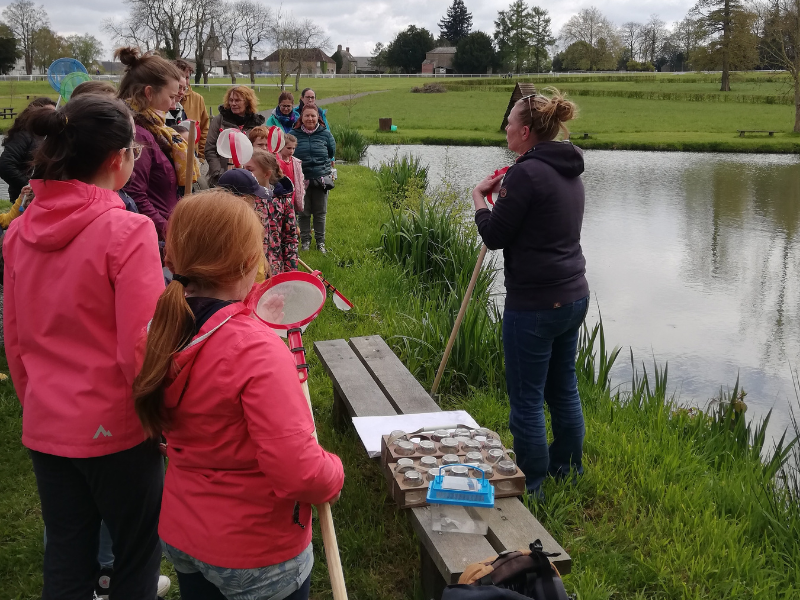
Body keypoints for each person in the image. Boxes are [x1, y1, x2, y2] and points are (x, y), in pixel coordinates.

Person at [134, 190, 343, 600]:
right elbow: (298, 470)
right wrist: (333, 472)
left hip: (185, 532)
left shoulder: (156, 331)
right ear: (251, 262)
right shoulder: (259, 350)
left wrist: (255, 319)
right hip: (257, 552)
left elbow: (212, 333)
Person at [3, 94, 167, 600]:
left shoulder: (18, 231)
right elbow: (140, 347)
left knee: (67, 554)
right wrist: (162, 419)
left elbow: (14, 338)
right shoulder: (128, 229)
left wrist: (36, 403)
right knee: (136, 556)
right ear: (117, 159)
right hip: (118, 429)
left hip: (47, 421)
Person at [471, 89, 589, 497]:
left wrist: (479, 200)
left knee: (526, 398)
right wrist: (506, 196)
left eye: (509, 122)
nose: (504, 126)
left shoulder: (525, 174)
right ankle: (568, 469)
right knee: (563, 386)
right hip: (573, 295)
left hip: (537, 303)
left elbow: (496, 236)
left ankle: (533, 485)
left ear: (524, 131)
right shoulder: (567, 167)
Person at [116, 46, 198, 240]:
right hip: (154, 237)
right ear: (149, 93)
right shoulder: (139, 135)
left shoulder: (154, 130)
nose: (173, 105)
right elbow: (136, 196)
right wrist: (171, 233)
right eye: (170, 96)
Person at [242, 150, 299, 273]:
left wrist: (291, 272)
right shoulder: (243, 199)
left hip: (274, 269)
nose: (244, 173)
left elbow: (290, 238)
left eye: (250, 170)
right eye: (243, 168)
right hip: (249, 270)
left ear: (266, 174)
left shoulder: (283, 199)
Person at [293, 104, 335, 254]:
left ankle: (320, 243)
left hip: (321, 179)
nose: (310, 118)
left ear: (318, 117)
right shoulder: (294, 134)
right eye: (307, 116)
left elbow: (331, 152)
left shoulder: (326, 134)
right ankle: (305, 241)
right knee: (303, 213)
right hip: (301, 179)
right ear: (301, 117)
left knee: (320, 213)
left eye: (313, 115)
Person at [205, 86, 265, 186]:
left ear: (247, 102)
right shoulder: (219, 120)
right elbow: (210, 149)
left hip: (248, 178)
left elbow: (261, 150)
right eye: (231, 100)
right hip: (221, 178)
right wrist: (218, 173)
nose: (233, 103)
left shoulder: (256, 123)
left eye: (237, 100)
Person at [0, 97, 57, 203]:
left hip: (46, 197)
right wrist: (28, 186)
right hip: (24, 199)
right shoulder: (23, 135)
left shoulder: (52, 138)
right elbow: (6, 165)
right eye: (48, 114)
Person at [174, 59, 210, 162]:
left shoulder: (197, 99)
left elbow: (204, 129)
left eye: (187, 77)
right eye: (181, 77)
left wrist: (201, 156)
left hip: (192, 158)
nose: (185, 81)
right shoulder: (163, 99)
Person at [278, 133, 305, 214]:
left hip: (293, 195)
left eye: (293, 148)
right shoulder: (277, 161)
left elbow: (300, 179)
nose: (291, 151)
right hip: (281, 195)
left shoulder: (296, 162)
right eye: (288, 148)